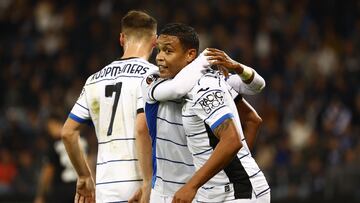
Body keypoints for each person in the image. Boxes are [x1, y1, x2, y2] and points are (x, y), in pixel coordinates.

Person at [139, 23, 268, 202]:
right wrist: (205, 58)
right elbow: (178, 88)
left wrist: (241, 165)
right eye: (158, 51)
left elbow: (238, 133)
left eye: (168, 51)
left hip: (237, 191)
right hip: (208, 190)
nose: (159, 57)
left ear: (190, 54)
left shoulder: (207, 85)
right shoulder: (153, 80)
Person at [61, 10, 158, 203]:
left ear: (122, 39)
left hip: (105, 189)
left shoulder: (94, 79)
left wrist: (84, 176)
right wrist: (147, 181)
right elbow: (142, 128)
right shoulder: (153, 76)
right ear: (155, 41)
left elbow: (68, 133)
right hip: (141, 188)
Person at [34, 114, 89, 203]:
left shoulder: (53, 144)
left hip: (61, 190)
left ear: (53, 124)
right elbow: (90, 165)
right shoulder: (82, 141)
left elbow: (48, 171)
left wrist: (41, 195)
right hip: (82, 188)